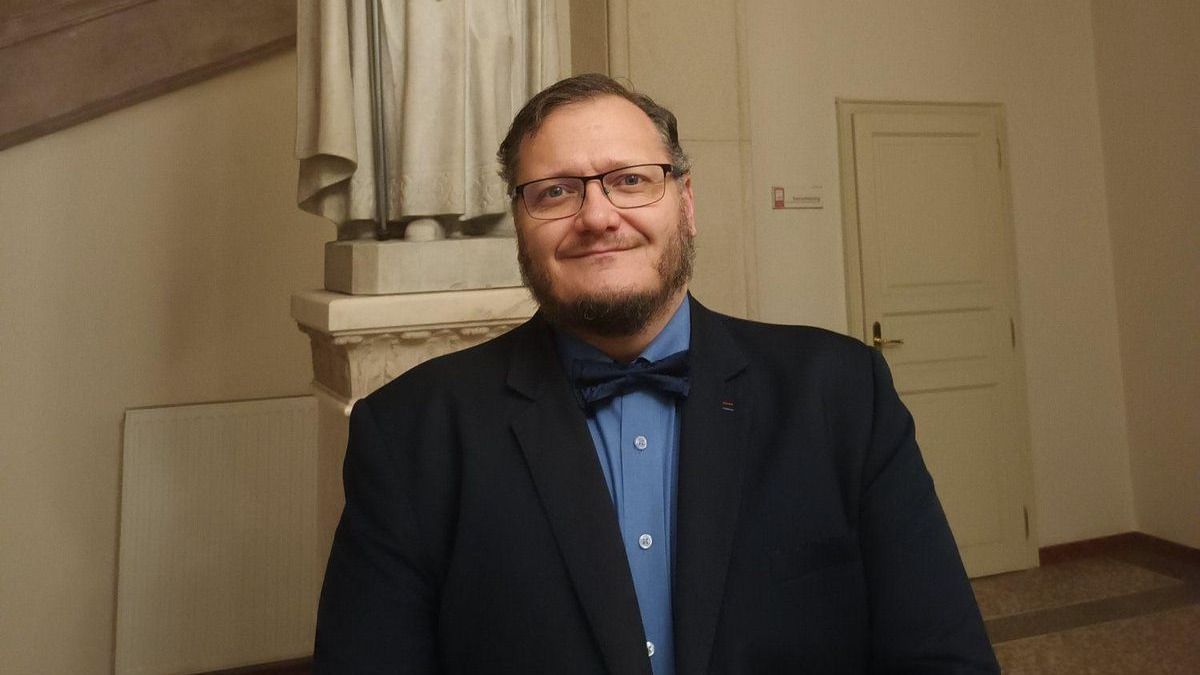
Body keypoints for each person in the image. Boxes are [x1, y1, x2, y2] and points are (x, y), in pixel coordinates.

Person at [313, 73, 999, 674]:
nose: (598, 216)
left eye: (630, 180)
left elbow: (942, 657)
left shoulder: (841, 393)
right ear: (520, 225)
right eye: (556, 192)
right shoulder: (408, 434)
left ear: (686, 202)